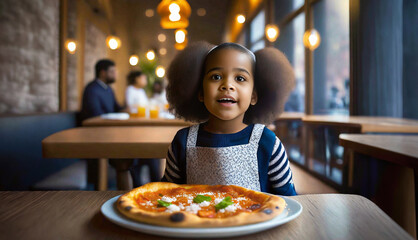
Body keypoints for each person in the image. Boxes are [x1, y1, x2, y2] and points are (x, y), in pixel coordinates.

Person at [161, 42, 297, 196]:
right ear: (200, 92)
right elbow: (167, 196)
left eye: (240, 78)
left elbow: (290, 201)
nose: (227, 85)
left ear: (253, 95)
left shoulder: (268, 143)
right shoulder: (182, 142)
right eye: (216, 77)